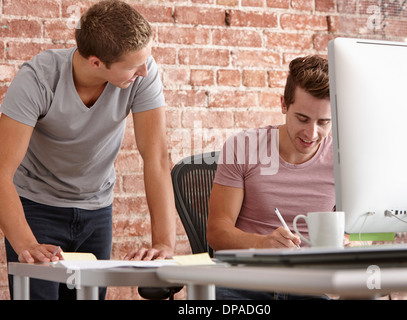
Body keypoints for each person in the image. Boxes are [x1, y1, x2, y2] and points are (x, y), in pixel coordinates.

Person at [0, 0, 176, 300]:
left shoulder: (142, 74)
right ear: (96, 62)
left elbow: (157, 158)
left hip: (96, 210)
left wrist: (164, 243)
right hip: (37, 207)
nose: (145, 70)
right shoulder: (38, 78)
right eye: (134, 65)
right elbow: (1, 170)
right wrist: (25, 243)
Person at [206, 55, 335, 299]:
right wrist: (264, 244)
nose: (312, 133)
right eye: (303, 119)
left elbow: (365, 233)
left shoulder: (341, 159)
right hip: (242, 283)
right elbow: (216, 232)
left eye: (324, 122)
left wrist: (352, 242)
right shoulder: (242, 146)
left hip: (308, 287)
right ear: (284, 105)